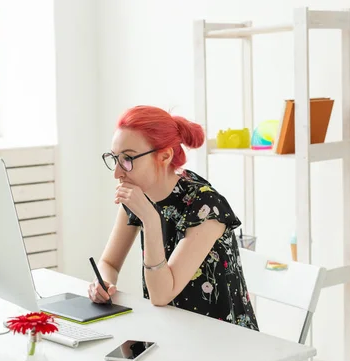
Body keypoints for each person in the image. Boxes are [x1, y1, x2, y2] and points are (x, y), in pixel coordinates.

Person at [87, 105, 259, 331]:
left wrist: (150, 218)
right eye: (114, 158)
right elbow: (109, 263)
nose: (117, 173)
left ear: (165, 156)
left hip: (226, 340)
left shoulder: (206, 206)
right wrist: (104, 283)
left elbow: (161, 295)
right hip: (171, 331)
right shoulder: (138, 194)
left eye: (127, 159)